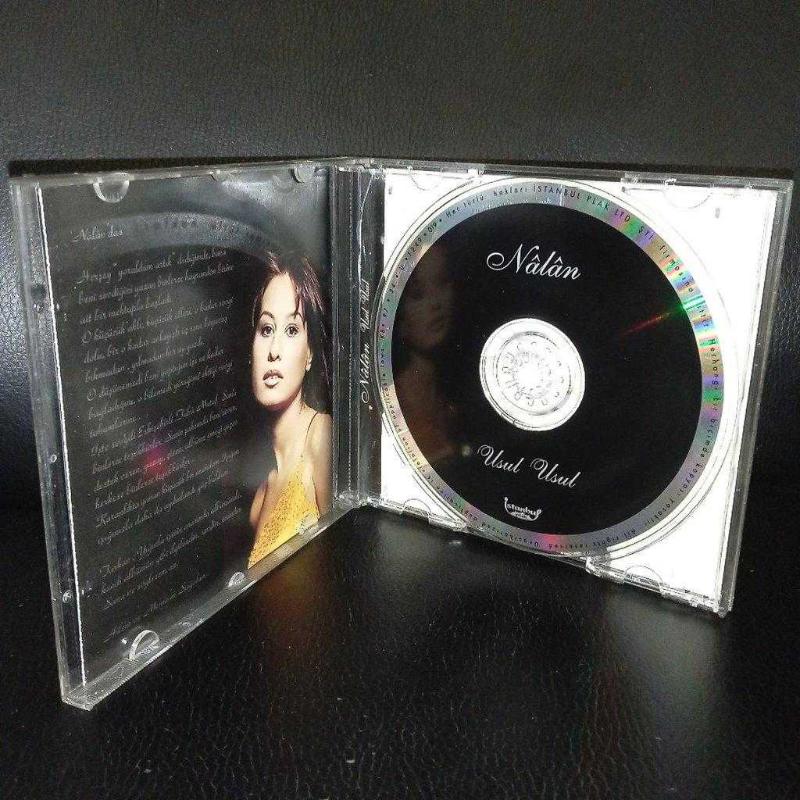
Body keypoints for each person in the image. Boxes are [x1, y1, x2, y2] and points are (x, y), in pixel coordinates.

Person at [247, 252, 332, 569]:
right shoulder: (258, 499)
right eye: (266, 329)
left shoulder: (321, 436)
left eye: (292, 330)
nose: (274, 350)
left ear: (310, 354)